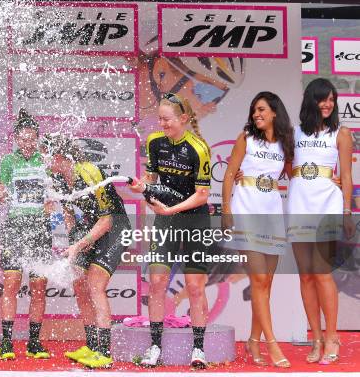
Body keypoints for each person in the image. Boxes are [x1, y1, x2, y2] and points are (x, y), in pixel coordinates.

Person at [129, 93, 212, 368]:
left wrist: (171, 210)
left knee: (195, 288)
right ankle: (155, 347)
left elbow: (202, 195)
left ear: (184, 119)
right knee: (156, 284)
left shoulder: (199, 147)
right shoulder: (155, 142)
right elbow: (151, 180)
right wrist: (148, 196)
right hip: (165, 220)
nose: (162, 124)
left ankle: (198, 350)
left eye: (167, 119)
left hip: (194, 221)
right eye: (160, 119)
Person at [43, 134, 130, 369]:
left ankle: (104, 352)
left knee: (94, 284)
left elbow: (107, 221)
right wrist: (75, 242)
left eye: (46, 155)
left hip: (115, 228)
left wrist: (79, 244)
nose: (43, 159)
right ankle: (91, 346)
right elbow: (70, 215)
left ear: (58, 156)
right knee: (79, 284)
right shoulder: (57, 178)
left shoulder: (89, 171)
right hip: (89, 228)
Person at [221, 92, 294, 368]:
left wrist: (328, 177)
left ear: (275, 112)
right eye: (254, 110)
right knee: (259, 279)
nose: (256, 114)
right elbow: (229, 175)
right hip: (246, 211)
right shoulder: (246, 138)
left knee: (266, 284)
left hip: (272, 214)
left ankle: (253, 339)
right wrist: (226, 212)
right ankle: (272, 344)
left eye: (261, 109)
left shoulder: (285, 144)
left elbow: (295, 174)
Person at [286, 78, 354, 365]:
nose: (327, 104)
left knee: (323, 273)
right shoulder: (293, 133)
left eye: (331, 99)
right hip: (299, 205)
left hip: (327, 206)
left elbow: (348, 177)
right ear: (310, 101)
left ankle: (331, 336)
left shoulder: (342, 133)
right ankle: (315, 337)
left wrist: (347, 211)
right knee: (306, 276)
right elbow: (287, 169)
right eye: (322, 99)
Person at [0, 110, 52, 360]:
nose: (28, 144)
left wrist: (51, 206)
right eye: (23, 139)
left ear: (37, 138)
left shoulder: (45, 161)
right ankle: (7, 342)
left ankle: (34, 342)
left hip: (39, 228)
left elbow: (53, 197)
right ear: (16, 138)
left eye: (31, 139)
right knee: (12, 283)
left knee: (38, 287)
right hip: (15, 228)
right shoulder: (8, 162)